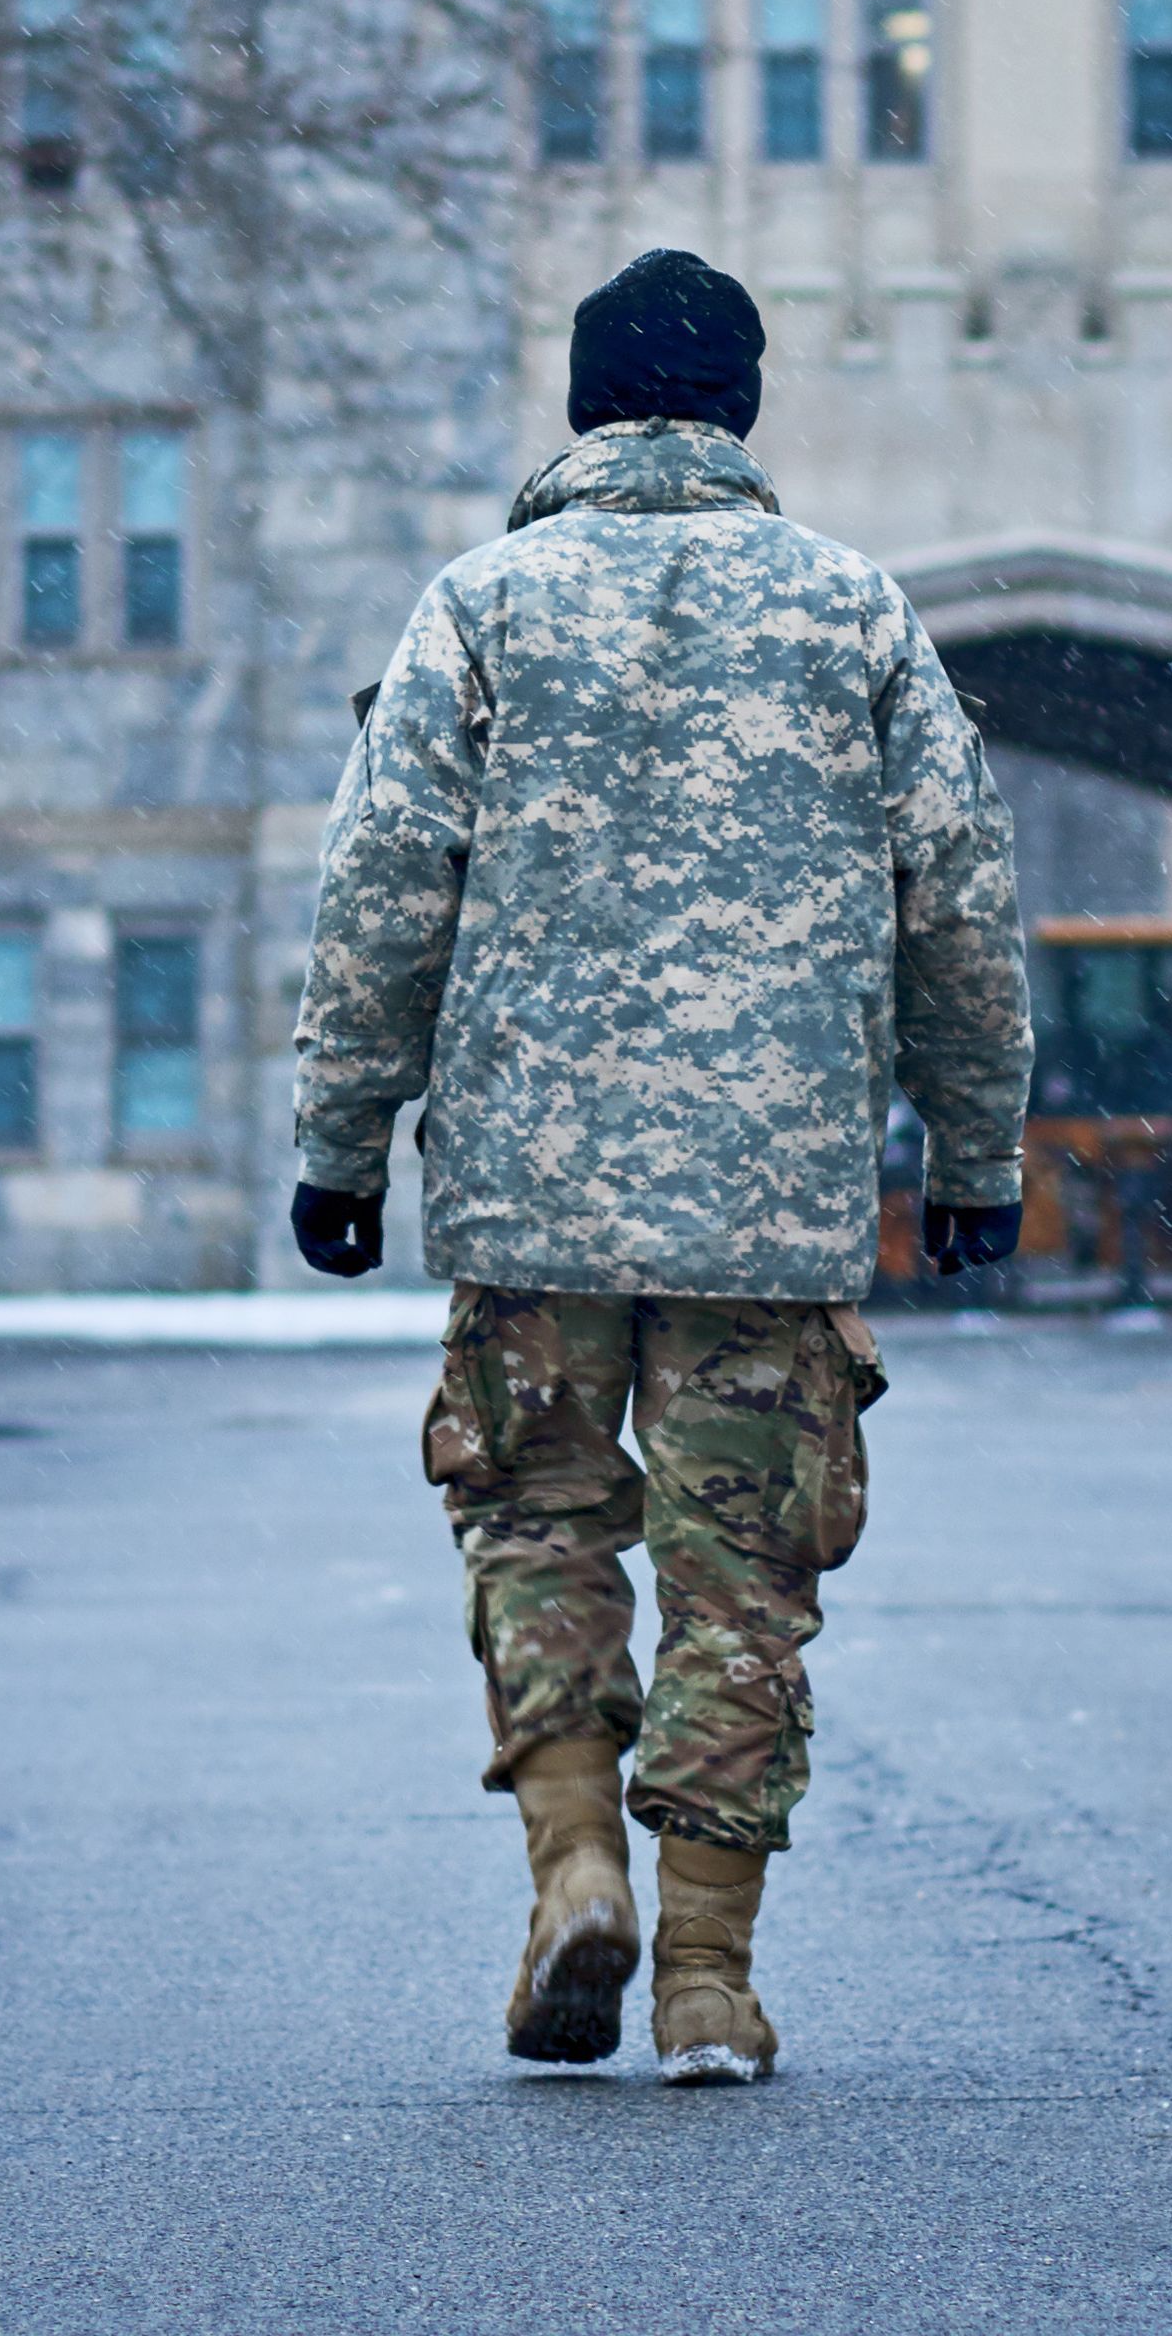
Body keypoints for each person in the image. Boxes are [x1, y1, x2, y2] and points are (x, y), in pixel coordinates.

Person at [287, 248, 1030, 2084]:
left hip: (529, 1200)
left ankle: (570, 1874)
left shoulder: (477, 608)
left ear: (578, 403)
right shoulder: (854, 615)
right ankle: (705, 1977)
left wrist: (339, 1142)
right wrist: (973, 1151)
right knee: (740, 1582)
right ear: (745, 408)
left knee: (538, 1525)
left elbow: (380, 899)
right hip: (768, 1214)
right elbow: (960, 902)